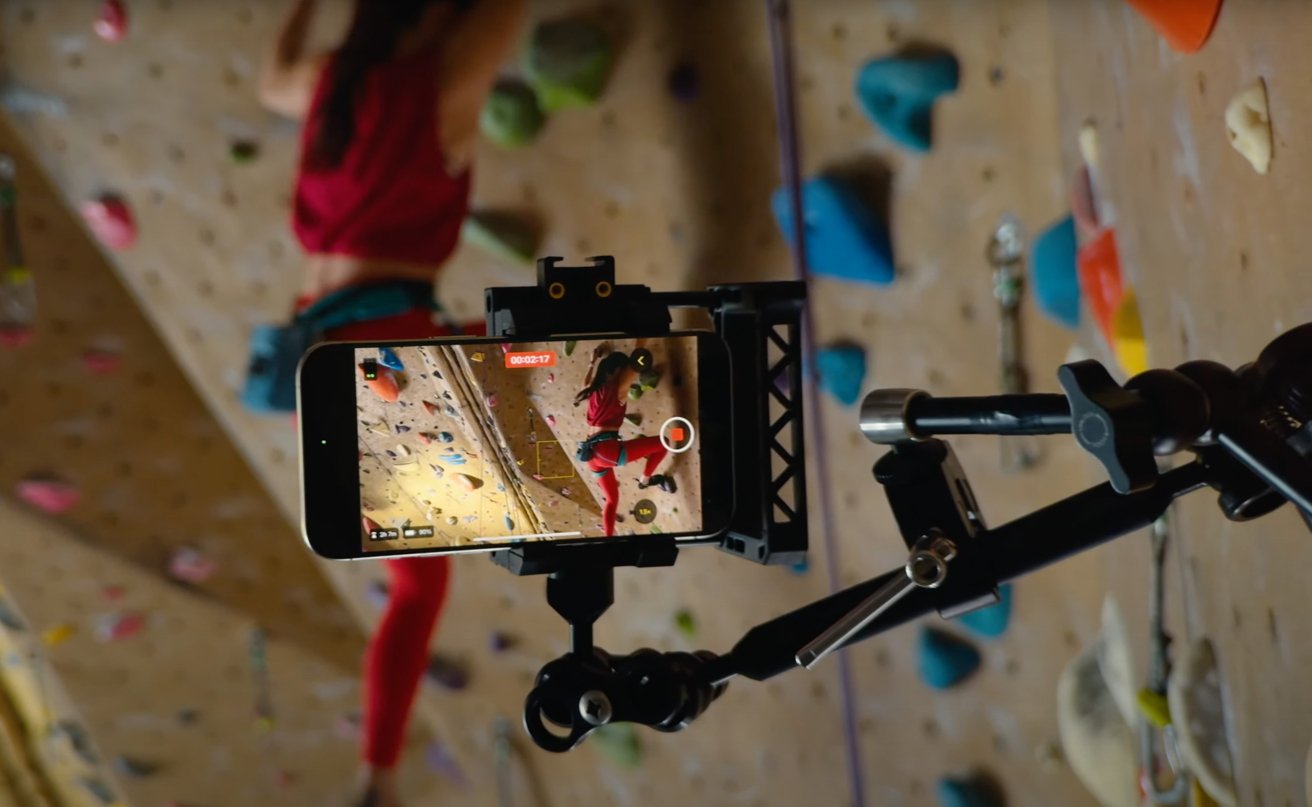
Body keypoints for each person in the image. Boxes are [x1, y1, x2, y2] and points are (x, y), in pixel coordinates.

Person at [258, 1, 525, 804]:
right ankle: (374, 773)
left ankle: (379, 770)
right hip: (374, 365)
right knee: (570, 339)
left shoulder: (338, 84)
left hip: (347, 366)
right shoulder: (440, 80)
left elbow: (275, 83)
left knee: (417, 586)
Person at [574, 342, 678, 537]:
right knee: (663, 443)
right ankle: (645, 478)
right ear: (616, 371)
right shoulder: (617, 389)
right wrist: (638, 352)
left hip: (592, 456)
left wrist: (592, 361)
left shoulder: (593, 389)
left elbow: (585, 383)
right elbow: (634, 365)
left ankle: (608, 539)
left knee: (612, 500)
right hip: (605, 451)